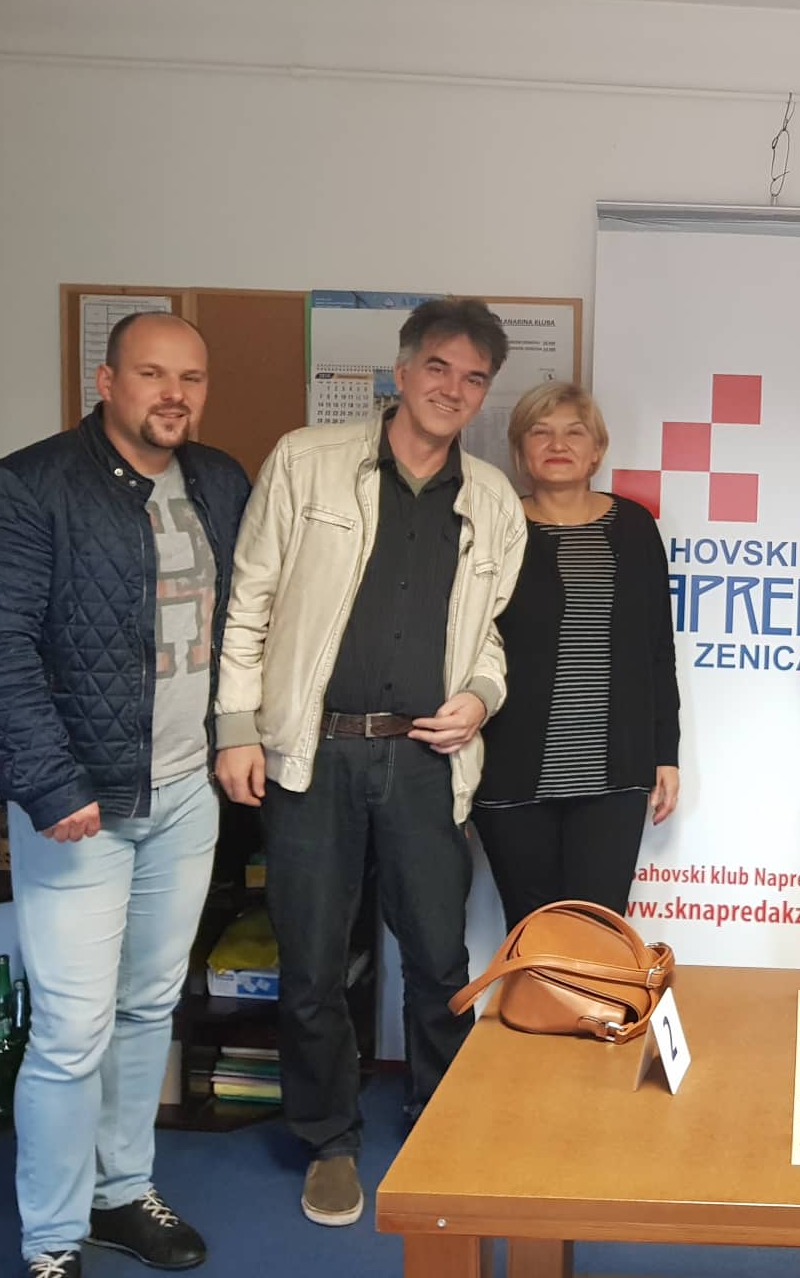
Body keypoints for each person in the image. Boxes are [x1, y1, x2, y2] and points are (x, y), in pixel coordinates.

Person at [212, 298, 525, 1227]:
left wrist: (482, 696)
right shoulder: (306, 461)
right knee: (312, 962)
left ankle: (442, 1124)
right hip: (314, 755)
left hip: (425, 759)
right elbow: (250, 599)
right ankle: (330, 1142)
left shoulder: (491, 500)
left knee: (438, 959)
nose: (453, 390)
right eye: (439, 367)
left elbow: (490, 635)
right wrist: (236, 725)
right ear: (401, 369)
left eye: (474, 379)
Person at [0, 312, 249, 1278]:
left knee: (148, 1008)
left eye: (191, 378)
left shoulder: (219, 480)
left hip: (185, 794)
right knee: (71, 1032)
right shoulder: (27, 486)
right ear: (106, 380)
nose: (174, 394)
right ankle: (51, 1239)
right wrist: (49, 782)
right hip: (80, 804)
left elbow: (243, 624)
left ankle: (121, 1193)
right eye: (152, 374)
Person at [471, 381, 679, 931]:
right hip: (510, 769)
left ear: (597, 451)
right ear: (520, 452)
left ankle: (591, 999)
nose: (557, 444)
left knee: (598, 933)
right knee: (532, 931)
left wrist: (666, 753)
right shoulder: (494, 528)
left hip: (614, 772)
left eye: (574, 432)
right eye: (540, 432)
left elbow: (658, 649)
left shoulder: (635, 526)